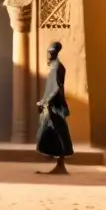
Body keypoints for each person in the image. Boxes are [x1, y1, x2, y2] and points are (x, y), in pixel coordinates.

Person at [35, 41, 74, 174]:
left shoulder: (57, 67)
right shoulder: (55, 67)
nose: (48, 55)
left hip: (55, 107)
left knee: (57, 133)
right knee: (53, 133)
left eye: (51, 53)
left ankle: (61, 166)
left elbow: (57, 88)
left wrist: (46, 102)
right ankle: (59, 165)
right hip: (52, 105)